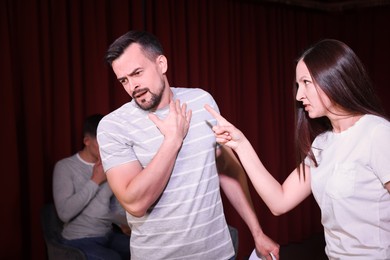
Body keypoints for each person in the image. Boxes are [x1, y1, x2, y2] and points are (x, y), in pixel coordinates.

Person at [96, 30, 280, 260]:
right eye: (124, 80)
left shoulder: (201, 101)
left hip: (218, 254)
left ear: (161, 63)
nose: (132, 86)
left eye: (137, 73)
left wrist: (257, 232)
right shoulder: (113, 126)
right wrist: (172, 140)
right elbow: (135, 203)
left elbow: (228, 170)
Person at [205, 39, 390, 259]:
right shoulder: (322, 144)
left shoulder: (377, 133)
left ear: (332, 77)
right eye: (297, 85)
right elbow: (279, 202)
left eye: (306, 82)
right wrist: (241, 144)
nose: (298, 96)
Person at [53, 114, 131, 260]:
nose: (106, 147)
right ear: (87, 141)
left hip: (107, 235)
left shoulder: (110, 167)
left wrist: (128, 224)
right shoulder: (65, 167)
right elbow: (64, 213)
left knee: (141, 249)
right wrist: (95, 180)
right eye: (101, 142)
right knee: (112, 258)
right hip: (79, 239)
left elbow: (115, 207)